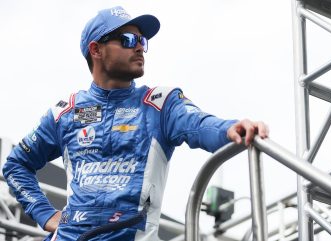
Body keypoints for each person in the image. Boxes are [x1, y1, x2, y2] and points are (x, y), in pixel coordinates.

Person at [2, 6, 268, 241]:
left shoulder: (160, 104)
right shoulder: (66, 113)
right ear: (96, 49)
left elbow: (199, 124)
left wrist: (230, 129)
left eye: (142, 41)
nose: (140, 46)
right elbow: (15, 165)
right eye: (128, 40)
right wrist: (45, 214)